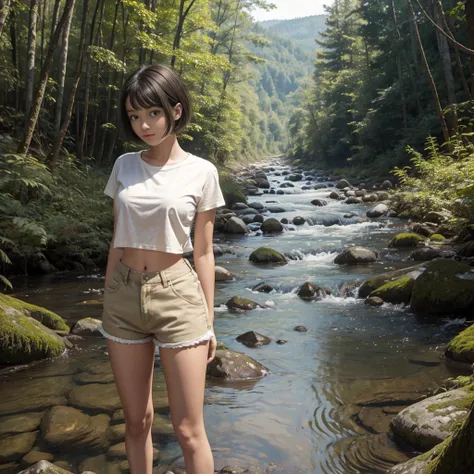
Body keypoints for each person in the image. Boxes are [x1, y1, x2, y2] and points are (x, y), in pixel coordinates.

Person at [100, 64, 226, 474]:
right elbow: (118, 238)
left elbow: (204, 253)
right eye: (134, 116)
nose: (143, 125)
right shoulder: (124, 166)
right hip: (124, 294)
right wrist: (108, 297)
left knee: (189, 431)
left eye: (151, 113)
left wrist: (209, 321)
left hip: (178, 294)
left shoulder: (201, 171)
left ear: (174, 110)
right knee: (136, 422)